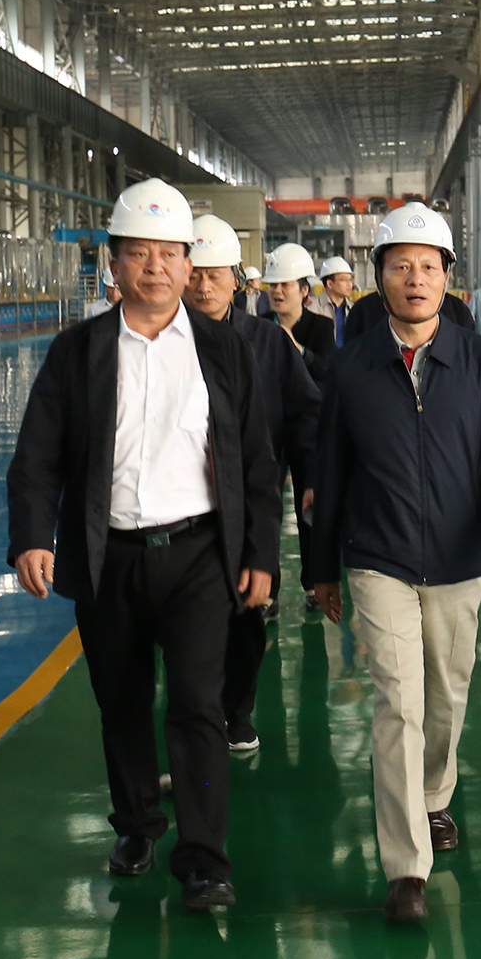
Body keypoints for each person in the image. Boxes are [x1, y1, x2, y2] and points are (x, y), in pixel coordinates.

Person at [6, 178, 282, 911]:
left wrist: (261, 554)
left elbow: (257, 459)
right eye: (138, 253)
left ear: (189, 265)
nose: (154, 267)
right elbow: (38, 454)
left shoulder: (223, 350)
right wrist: (33, 535)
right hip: (108, 556)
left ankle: (205, 858)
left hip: (199, 555)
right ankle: (135, 824)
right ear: (114, 262)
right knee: (121, 701)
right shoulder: (78, 352)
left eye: (168, 254)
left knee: (198, 705)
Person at [310, 201, 481, 924]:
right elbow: (329, 470)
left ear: (448, 278)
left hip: (458, 556)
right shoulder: (351, 367)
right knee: (398, 702)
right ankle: (406, 867)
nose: (414, 278)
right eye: (400, 266)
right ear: (379, 277)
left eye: (427, 266)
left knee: (446, 695)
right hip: (377, 557)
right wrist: (322, 567)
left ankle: (436, 794)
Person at [185, 214, 322, 752]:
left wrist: (312, 479)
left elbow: (307, 415)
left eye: (215, 275)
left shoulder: (267, 343)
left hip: (249, 499)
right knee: (189, 620)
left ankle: (237, 712)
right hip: (183, 504)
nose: (204, 287)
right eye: (196, 275)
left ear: (237, 281)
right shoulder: (163, 341)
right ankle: (198, 715)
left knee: (246, 613)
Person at [264, 245, 336, 382]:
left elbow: (328, 371)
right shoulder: (260, 325)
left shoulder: (321, 326)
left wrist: (300, 350)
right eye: (273, 284)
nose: (277, 291)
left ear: (304, 290)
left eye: (285, 284)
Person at [342, 283, 474, 342]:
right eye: (402, 267)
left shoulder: (458, 311)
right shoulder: (363, 311)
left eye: (428, 267)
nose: (416, 280)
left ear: (445, 276)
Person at [308, 255, 355, 347]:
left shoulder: (353, 309)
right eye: (344, 280)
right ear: (329, 283)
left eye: (350, 280)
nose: (350, 284)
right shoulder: (311, 307)